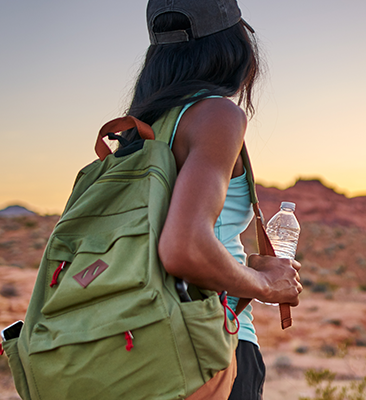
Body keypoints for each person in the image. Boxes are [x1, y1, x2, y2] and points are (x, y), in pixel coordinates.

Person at [126, 1, 302, 399]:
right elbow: (184, 249)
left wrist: (242, 263)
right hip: (208, 346)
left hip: (133, 346)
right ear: (233, 46)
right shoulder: (216, 115)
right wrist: (265, 284)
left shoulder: (139, 131)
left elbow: (162, 244)